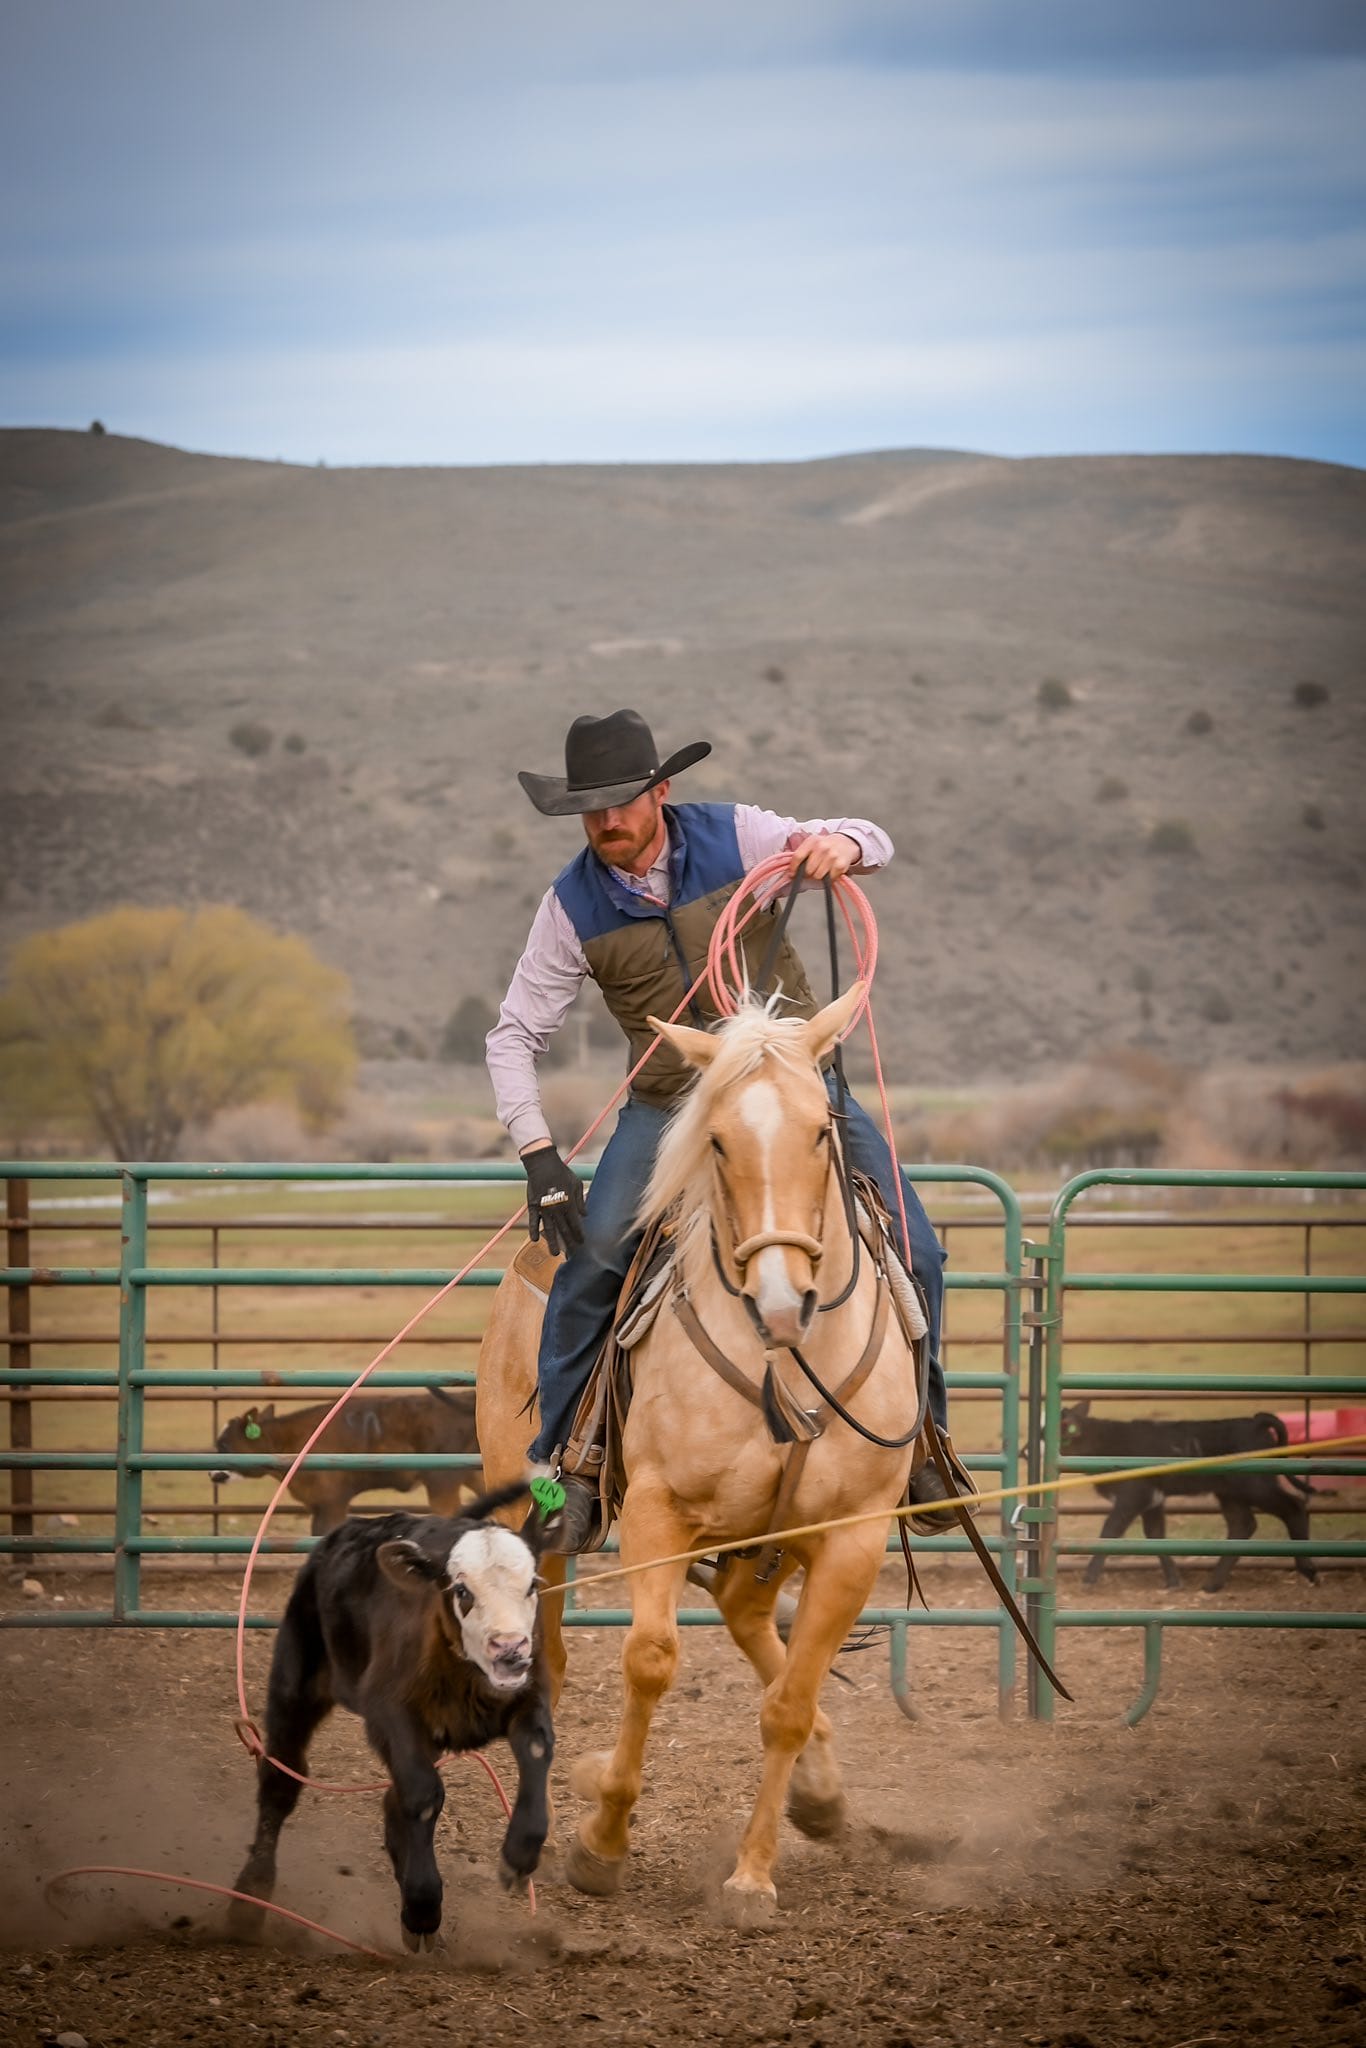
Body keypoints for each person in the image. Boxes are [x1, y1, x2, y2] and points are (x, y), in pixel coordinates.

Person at [485, 708, 964, 1553]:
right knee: (594, 1262)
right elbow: (513, 1036)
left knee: (918, 1249)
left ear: (660, 791)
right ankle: (567, 1469)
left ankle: (926, 1439)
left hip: (793, 1087)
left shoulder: (742, 838)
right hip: (670, 1106)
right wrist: (539, 1155)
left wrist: (842, 848)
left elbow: (869, 835)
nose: (606, 824)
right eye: (588, 811)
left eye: (621, 803)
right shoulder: (569, 907)